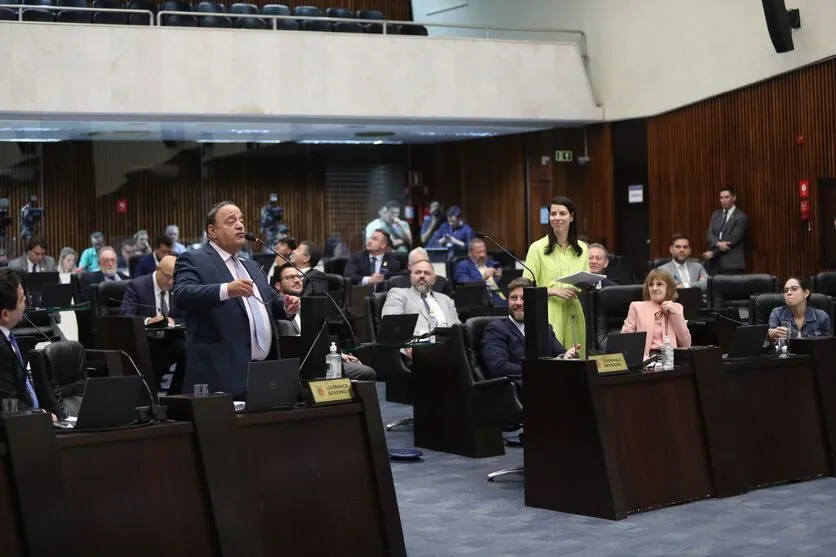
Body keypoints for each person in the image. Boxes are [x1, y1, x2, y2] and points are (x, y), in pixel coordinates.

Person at [172, 201, 300, 397]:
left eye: (241, 220)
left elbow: (268, 300)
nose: (240, 225)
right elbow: (182, 294)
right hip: (221, 377)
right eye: (231, 221)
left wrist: (285, 306)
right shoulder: (194, 259)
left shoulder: (252, 265)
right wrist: (226, 290)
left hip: (264, 373)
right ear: (212, 231)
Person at [274, 263, 376, 380]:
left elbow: (316, 341)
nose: (297, 280)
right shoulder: (276, 309)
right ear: (278, 285)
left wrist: (337, 355)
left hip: (319, 360)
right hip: (296, 365)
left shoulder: (307, 307)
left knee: (365, 371)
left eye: (299, 277)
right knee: (366, 372)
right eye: (290, 277)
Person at [523, 196, 589, 356]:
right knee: (554, 361)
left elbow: (585, 282)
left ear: (572, 217)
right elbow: (524, 286)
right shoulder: (537, 248)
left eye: (562, 213)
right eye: (553, 214)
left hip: (574, 309)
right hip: (548, 310)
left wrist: (586, 284)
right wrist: (553, 291)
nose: (557, 218)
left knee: (577, 361)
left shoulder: (583, 248)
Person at [481, 278, 580, 379]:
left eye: (524, 298)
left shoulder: (545, 328)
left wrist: (567, 356)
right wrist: (542, 370)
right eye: (514, 298)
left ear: (534, 301)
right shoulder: (496, 329)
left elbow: (560, 354)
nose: (518, 303)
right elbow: (498, 367)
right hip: (517, 388)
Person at [120, 255, 187, 393]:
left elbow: (186, 315)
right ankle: (152, 397)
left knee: (190, 351)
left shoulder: (177, 287)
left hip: (171, 339)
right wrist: (148, 321)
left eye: (174, 277)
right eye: (168, 276)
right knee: (157, 355)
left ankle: (175, 395)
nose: (171, 282)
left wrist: (174, 321)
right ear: (157, 269)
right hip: (148, 340)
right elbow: (125, 315)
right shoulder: (137, 286)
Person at [0, 269, 56, 421]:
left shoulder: (7, 337)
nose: (26, 303)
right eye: (22, 299)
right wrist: (40, 416)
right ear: (5, 314)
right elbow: (7, 403)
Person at [622, 269, 692, 359]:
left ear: (669, 287)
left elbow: (686, 344)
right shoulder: (636, 307)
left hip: (671, 361)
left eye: (659, 284)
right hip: (646, 360)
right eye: (651, 284)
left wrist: (676, 315)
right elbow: (624, 341)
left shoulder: (677, 308)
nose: (654, 288)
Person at [382, 260, 459, 337]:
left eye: (427, 273)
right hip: (416, 346)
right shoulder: (398, 294)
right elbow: (391, 326)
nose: (422, 276)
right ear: (411, 277)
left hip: (449, 344)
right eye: (418, 272)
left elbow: (458, 328)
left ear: (434, 280)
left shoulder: (446, 300)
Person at [768, 277, 832, 341]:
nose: (789, 293)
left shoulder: (822, 317)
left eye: (794, 289)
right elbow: (768, 338)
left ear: (806, 293)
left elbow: (827, 346)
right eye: (785, 290)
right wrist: (772, 334)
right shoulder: (777, 314)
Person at [703, 188, 748, 274]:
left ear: (734, 198)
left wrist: (713, 253)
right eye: (721, 198)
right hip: (713, 264)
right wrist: (718, 243)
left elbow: (732, 240)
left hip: (731, 264)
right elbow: (709, 234)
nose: (724, 200)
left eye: (726, 197)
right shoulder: (716, 214)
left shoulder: (741, 217)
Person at [453, 238, 506, 306]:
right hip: (483, 302)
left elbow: (505, 285)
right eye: (478, 252)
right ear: (470, 253)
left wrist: (502, 277)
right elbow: (464, 286)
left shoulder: (493, 264)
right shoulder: (462, 266)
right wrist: (483, 277)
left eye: (484, 251)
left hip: (503, 299)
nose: (482, 255)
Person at [387, 247, 453, 295]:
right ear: (409, 266)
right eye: (416, 264)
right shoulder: (397, 284)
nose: (421, 267)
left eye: (424, 263)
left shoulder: (442, 283)